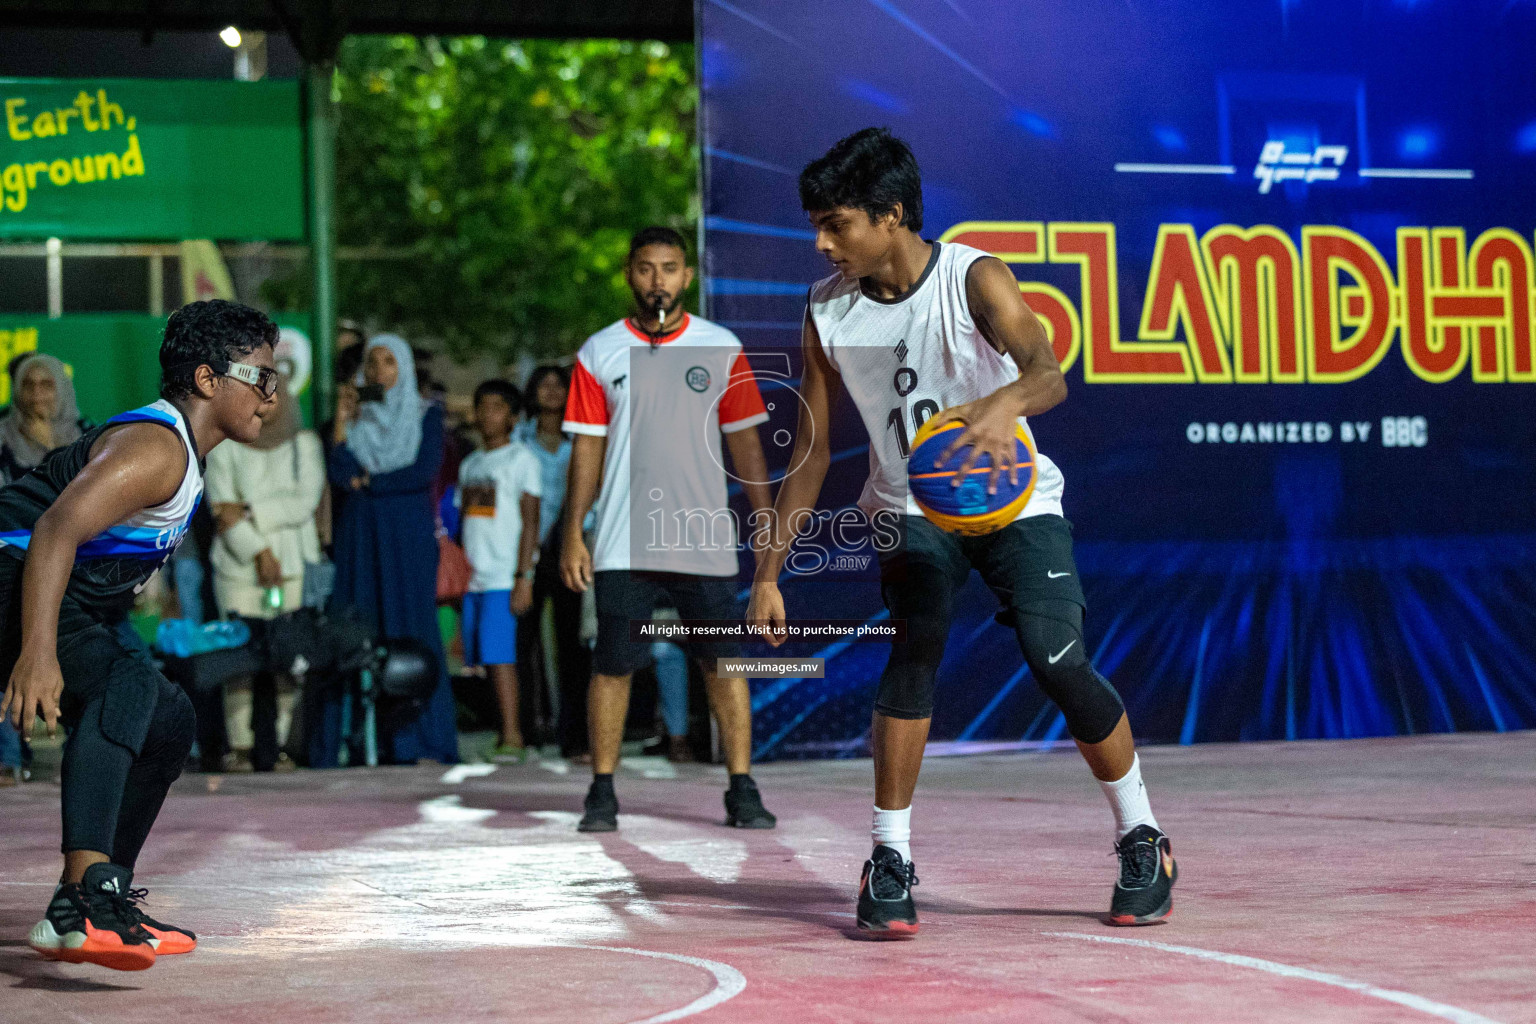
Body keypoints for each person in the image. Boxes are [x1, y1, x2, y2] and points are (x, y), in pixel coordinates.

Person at [746, 128, 1176, 936]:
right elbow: (808, 453)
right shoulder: (825, 308)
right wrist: (769, 572)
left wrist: (1003, 404)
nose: (821, 242)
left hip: (1015, 502)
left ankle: (1142, 835)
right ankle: (889, 857)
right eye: (816, 225)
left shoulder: (972, 275)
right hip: (911, 509)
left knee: (1059, 663)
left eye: (837, 224)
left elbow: (1048, 372)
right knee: (914, 654)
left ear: (892, 214)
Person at [0, 299, 280, 970]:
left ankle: (90, 900)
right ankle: (88, 899)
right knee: (126, 684)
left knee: (168, 712)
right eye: (262, 378)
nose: (273, 396)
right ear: (209, 379)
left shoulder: (185, 454)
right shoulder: (157, 446)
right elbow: (53, 530)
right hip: (14, 572)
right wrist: (37, 654)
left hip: (44, 587)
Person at [561, 226, 778, 832]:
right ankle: (601, 791)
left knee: (722, 662)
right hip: (623, 538)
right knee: (614, 663)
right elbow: (587, 450)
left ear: (688, 276)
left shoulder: (721, 345)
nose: (659, 279)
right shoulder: (598, 351)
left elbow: (746, 443)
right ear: (630, 275)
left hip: (701, 537)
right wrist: (573, 530)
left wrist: (765, 523)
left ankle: (742, 788)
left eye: (671, 268)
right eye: (647, 268)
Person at [327, 334, 454, 765]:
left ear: (404, 368)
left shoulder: (427, 415)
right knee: (361, 628)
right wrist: (342, 420)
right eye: (372, 362)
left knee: (412, 628)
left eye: (389, 362)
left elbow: (422, 470)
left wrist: (372, 483)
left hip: (406, 532)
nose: (380, 371)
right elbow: (339, 469)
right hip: (362, 533)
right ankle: (363, 741)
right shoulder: (357, 418)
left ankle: (419, 739)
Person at [205, 372, 325, 772]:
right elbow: (220, 508)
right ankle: (240, 747)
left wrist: (250, 509)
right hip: (238, 566)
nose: (268, 401)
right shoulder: (225, 443)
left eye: (274, 393)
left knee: (289, 660)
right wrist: (259, 551)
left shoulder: (304, 444)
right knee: (237, 659)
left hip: (292, 567)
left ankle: (284, 747)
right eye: (259, 393)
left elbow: (305, 502)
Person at [456, 379, 542, 763]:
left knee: (501, 657)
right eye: (481, 406)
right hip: (473, 579)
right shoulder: (470, 464)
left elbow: (531, 522)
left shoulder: (521, 459)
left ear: (512, 415)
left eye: (496, 407)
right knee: (483, 660)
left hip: (503, 577)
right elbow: (465, 522)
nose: (486, 414)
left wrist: (524, 576)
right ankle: (501, 732)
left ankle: (513, 736)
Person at [514, 364, 590, 759]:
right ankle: (524, 732)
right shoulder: (517, 438)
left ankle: (574, 737)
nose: (550, 391)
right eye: (542, 384)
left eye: (558, 384)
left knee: (571, 647)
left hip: (568, 548)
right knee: (521, 644)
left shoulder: (582, 439)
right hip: (524, 550)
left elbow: (591, 493)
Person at [0, 354, 87, 485]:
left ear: (62, 390)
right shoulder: (3, 437)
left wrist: (50, 446)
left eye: (46, 385)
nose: (36, 392)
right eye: (28, 384)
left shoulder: (88, 434)